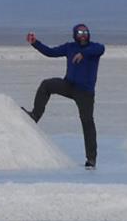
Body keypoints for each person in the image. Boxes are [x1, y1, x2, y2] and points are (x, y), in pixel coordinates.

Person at [25, 23, 104, 167]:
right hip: (69, 85)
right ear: (75, 35)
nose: (83, 35)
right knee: (46, 85)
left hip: (85, 92)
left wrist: (83, 53)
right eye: (80, 33)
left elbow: (101, 48)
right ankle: (35, 115)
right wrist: (35, 43)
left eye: (85, 32)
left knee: (87, 122)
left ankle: (91, 159)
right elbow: (50, 52)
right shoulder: (70, 47)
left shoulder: (94, 48)